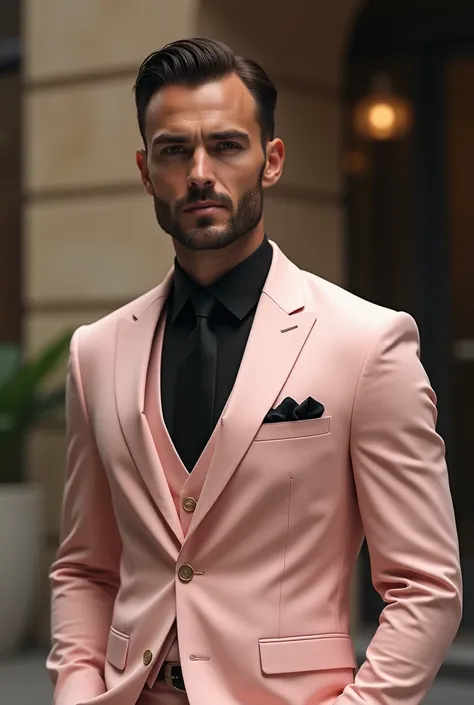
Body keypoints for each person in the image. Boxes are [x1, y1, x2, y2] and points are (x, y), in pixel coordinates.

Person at [46, 37, 462, 705]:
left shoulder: (366, 342)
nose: (200, 172)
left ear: (271, 161)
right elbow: (85, 566)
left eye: (227, 145)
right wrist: (75, 685)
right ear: (145, 170)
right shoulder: (95, 351)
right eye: (174, 150)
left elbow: (426, 585)